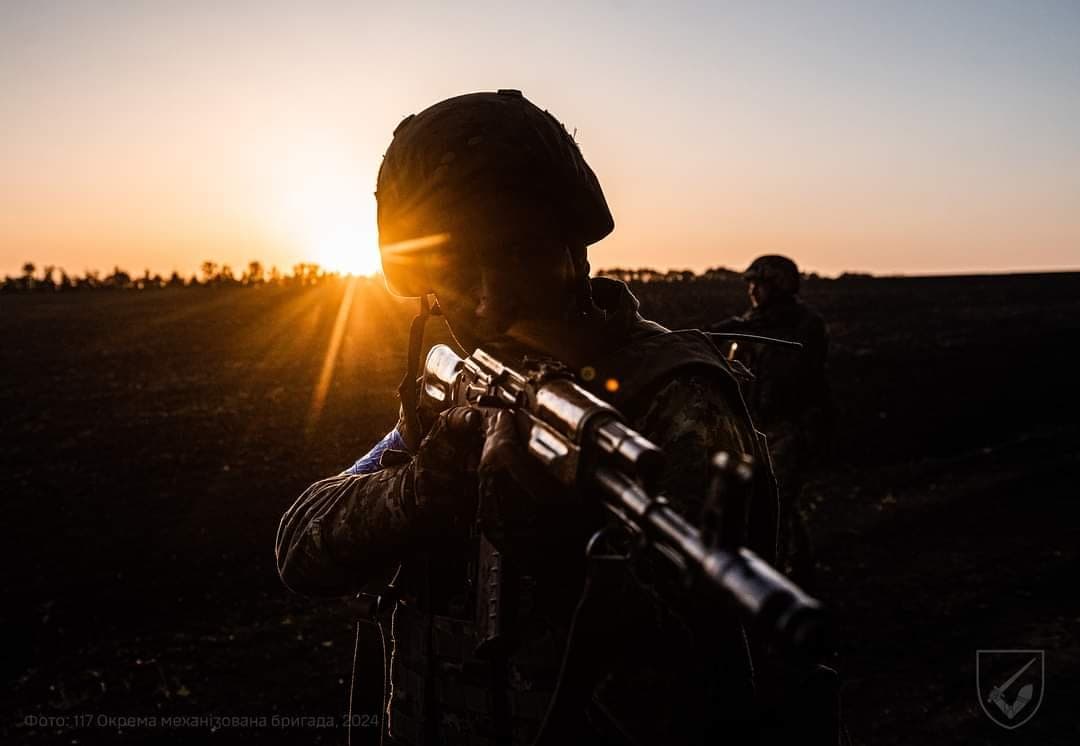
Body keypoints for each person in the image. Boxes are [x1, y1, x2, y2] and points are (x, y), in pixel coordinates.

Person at [276, 90, 780, 746]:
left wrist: (567, 555)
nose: (486, 298)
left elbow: (714, 677)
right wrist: (415, 494)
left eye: (513, 254)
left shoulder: (678, 405)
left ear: (572, 245)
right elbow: (298, 548)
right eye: (454, 271)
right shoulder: (459, 397)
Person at [711, 255, 832, 585]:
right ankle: (798, 571)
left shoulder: (803, 324)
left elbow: (797, 373)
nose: (751, 290)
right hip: (755, 427)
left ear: (778, 285)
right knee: (775, 505)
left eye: (758, 284)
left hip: (789, 427)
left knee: (776, 503)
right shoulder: (750, 323)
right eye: (750, 284)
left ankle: (774, 581)